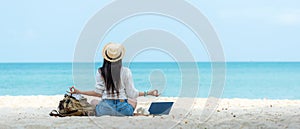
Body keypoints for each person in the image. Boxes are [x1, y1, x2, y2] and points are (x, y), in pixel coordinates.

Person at [70, 42, 159, 116]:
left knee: (93, 101)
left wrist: (79, 91)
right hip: (124, 110)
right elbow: (132, 93)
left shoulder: (101, 72)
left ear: (105, 58)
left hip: (104, 110)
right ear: (120, 57)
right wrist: (149, 92)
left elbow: (98, 93)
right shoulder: (126, 71)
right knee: (134, 101)